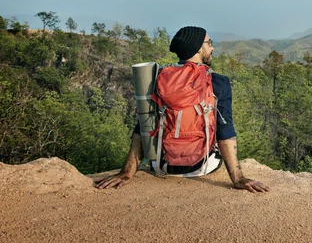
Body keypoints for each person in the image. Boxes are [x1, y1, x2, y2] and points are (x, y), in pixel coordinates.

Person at [95, 26, 270, 193]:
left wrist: (126, 172)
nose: (213, 48)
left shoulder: (159, 78)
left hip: (162, 166)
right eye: (209, 43)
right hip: (202, 168)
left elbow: (143, 124)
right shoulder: (218, 81)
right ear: (198, 49)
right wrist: (238, 178)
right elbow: (225, 131)